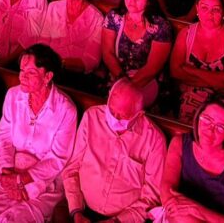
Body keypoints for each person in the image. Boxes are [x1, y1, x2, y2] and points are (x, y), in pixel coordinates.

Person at [0, 45, 77, 223]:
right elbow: (4, 139)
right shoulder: (13, 96)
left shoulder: (65, 110)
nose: (22, 77)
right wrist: (9, 173)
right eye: (21, 70)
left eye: (31, 72)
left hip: (43, 181)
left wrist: (21, 179)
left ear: (48, 76)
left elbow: (58, 158)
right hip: (9, 170)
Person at [63, 78, 166, 222]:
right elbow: (72, 168)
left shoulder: (154, 140)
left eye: (122, 117)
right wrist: (76, 211)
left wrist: (117, 221)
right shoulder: (92, 117)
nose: (114, 119)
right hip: (82, 208)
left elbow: (152, 196)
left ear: (139, 115)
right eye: (111, 111)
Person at [158, 94, 224, 223]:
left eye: (220, 127)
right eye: (206, 119)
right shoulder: (179, 143)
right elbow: (167, 192)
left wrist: (195, 210)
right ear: (198, 117)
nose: (210, 130)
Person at [170, 0, 224, 124]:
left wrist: (191, 71)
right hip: (188, 97)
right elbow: (175, 71)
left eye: (216, 9)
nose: (209, 14)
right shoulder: (186, 34)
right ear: (197, 9)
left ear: (223, 11)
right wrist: (220, 81)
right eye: (204, 8)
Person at [102, 0, 173, 107]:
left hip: (146, 81)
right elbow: (107, 53)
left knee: (130, 105)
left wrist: (130, 87)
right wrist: (121, 81)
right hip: (117, 76)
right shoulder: (114, 17)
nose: (131, 0)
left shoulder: (161, 26)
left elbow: (153, 67)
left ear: (149, 1)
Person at [32, 0, 104, 82]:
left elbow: (92, 60)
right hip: (49, 69)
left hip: (78, 76)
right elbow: (43, 42)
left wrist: (62, 63)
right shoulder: (53, 8)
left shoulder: (97, 18)